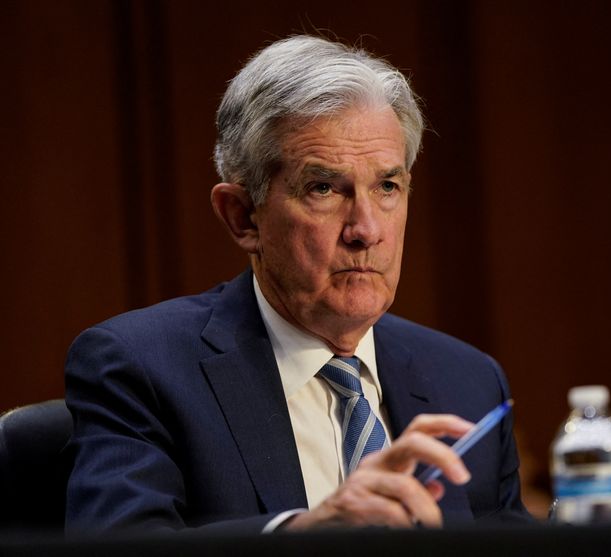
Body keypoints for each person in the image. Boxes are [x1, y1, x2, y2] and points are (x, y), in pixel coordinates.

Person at [64, 34, 530, 535]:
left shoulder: (467, 381)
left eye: (387, 186)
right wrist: (306, 535)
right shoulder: (141, 369)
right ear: (243, 217)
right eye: (324, 188)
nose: (367, 230)